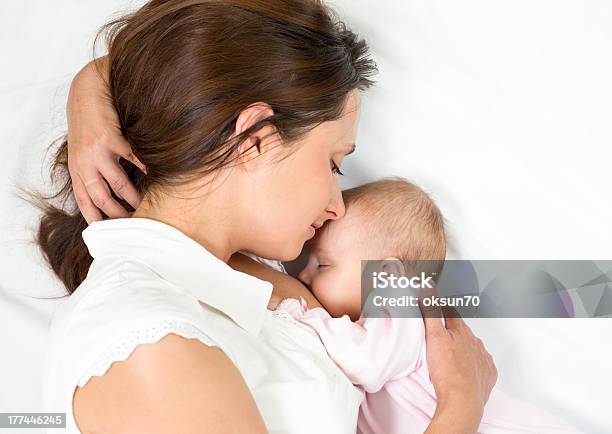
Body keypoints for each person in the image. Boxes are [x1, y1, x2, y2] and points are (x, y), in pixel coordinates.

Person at [38, 1, 497, 432]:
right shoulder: (150, 342)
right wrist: (459, 407)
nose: (338, 204)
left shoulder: (240, 283)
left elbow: (183, 63)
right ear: (255, 138)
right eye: (334, 162)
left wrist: (93, 85)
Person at [273, 177, 582, 434]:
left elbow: (364, 362)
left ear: (386, 275)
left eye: (323, 265)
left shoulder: (401, 305)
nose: (304, 274)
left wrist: (297, 312)